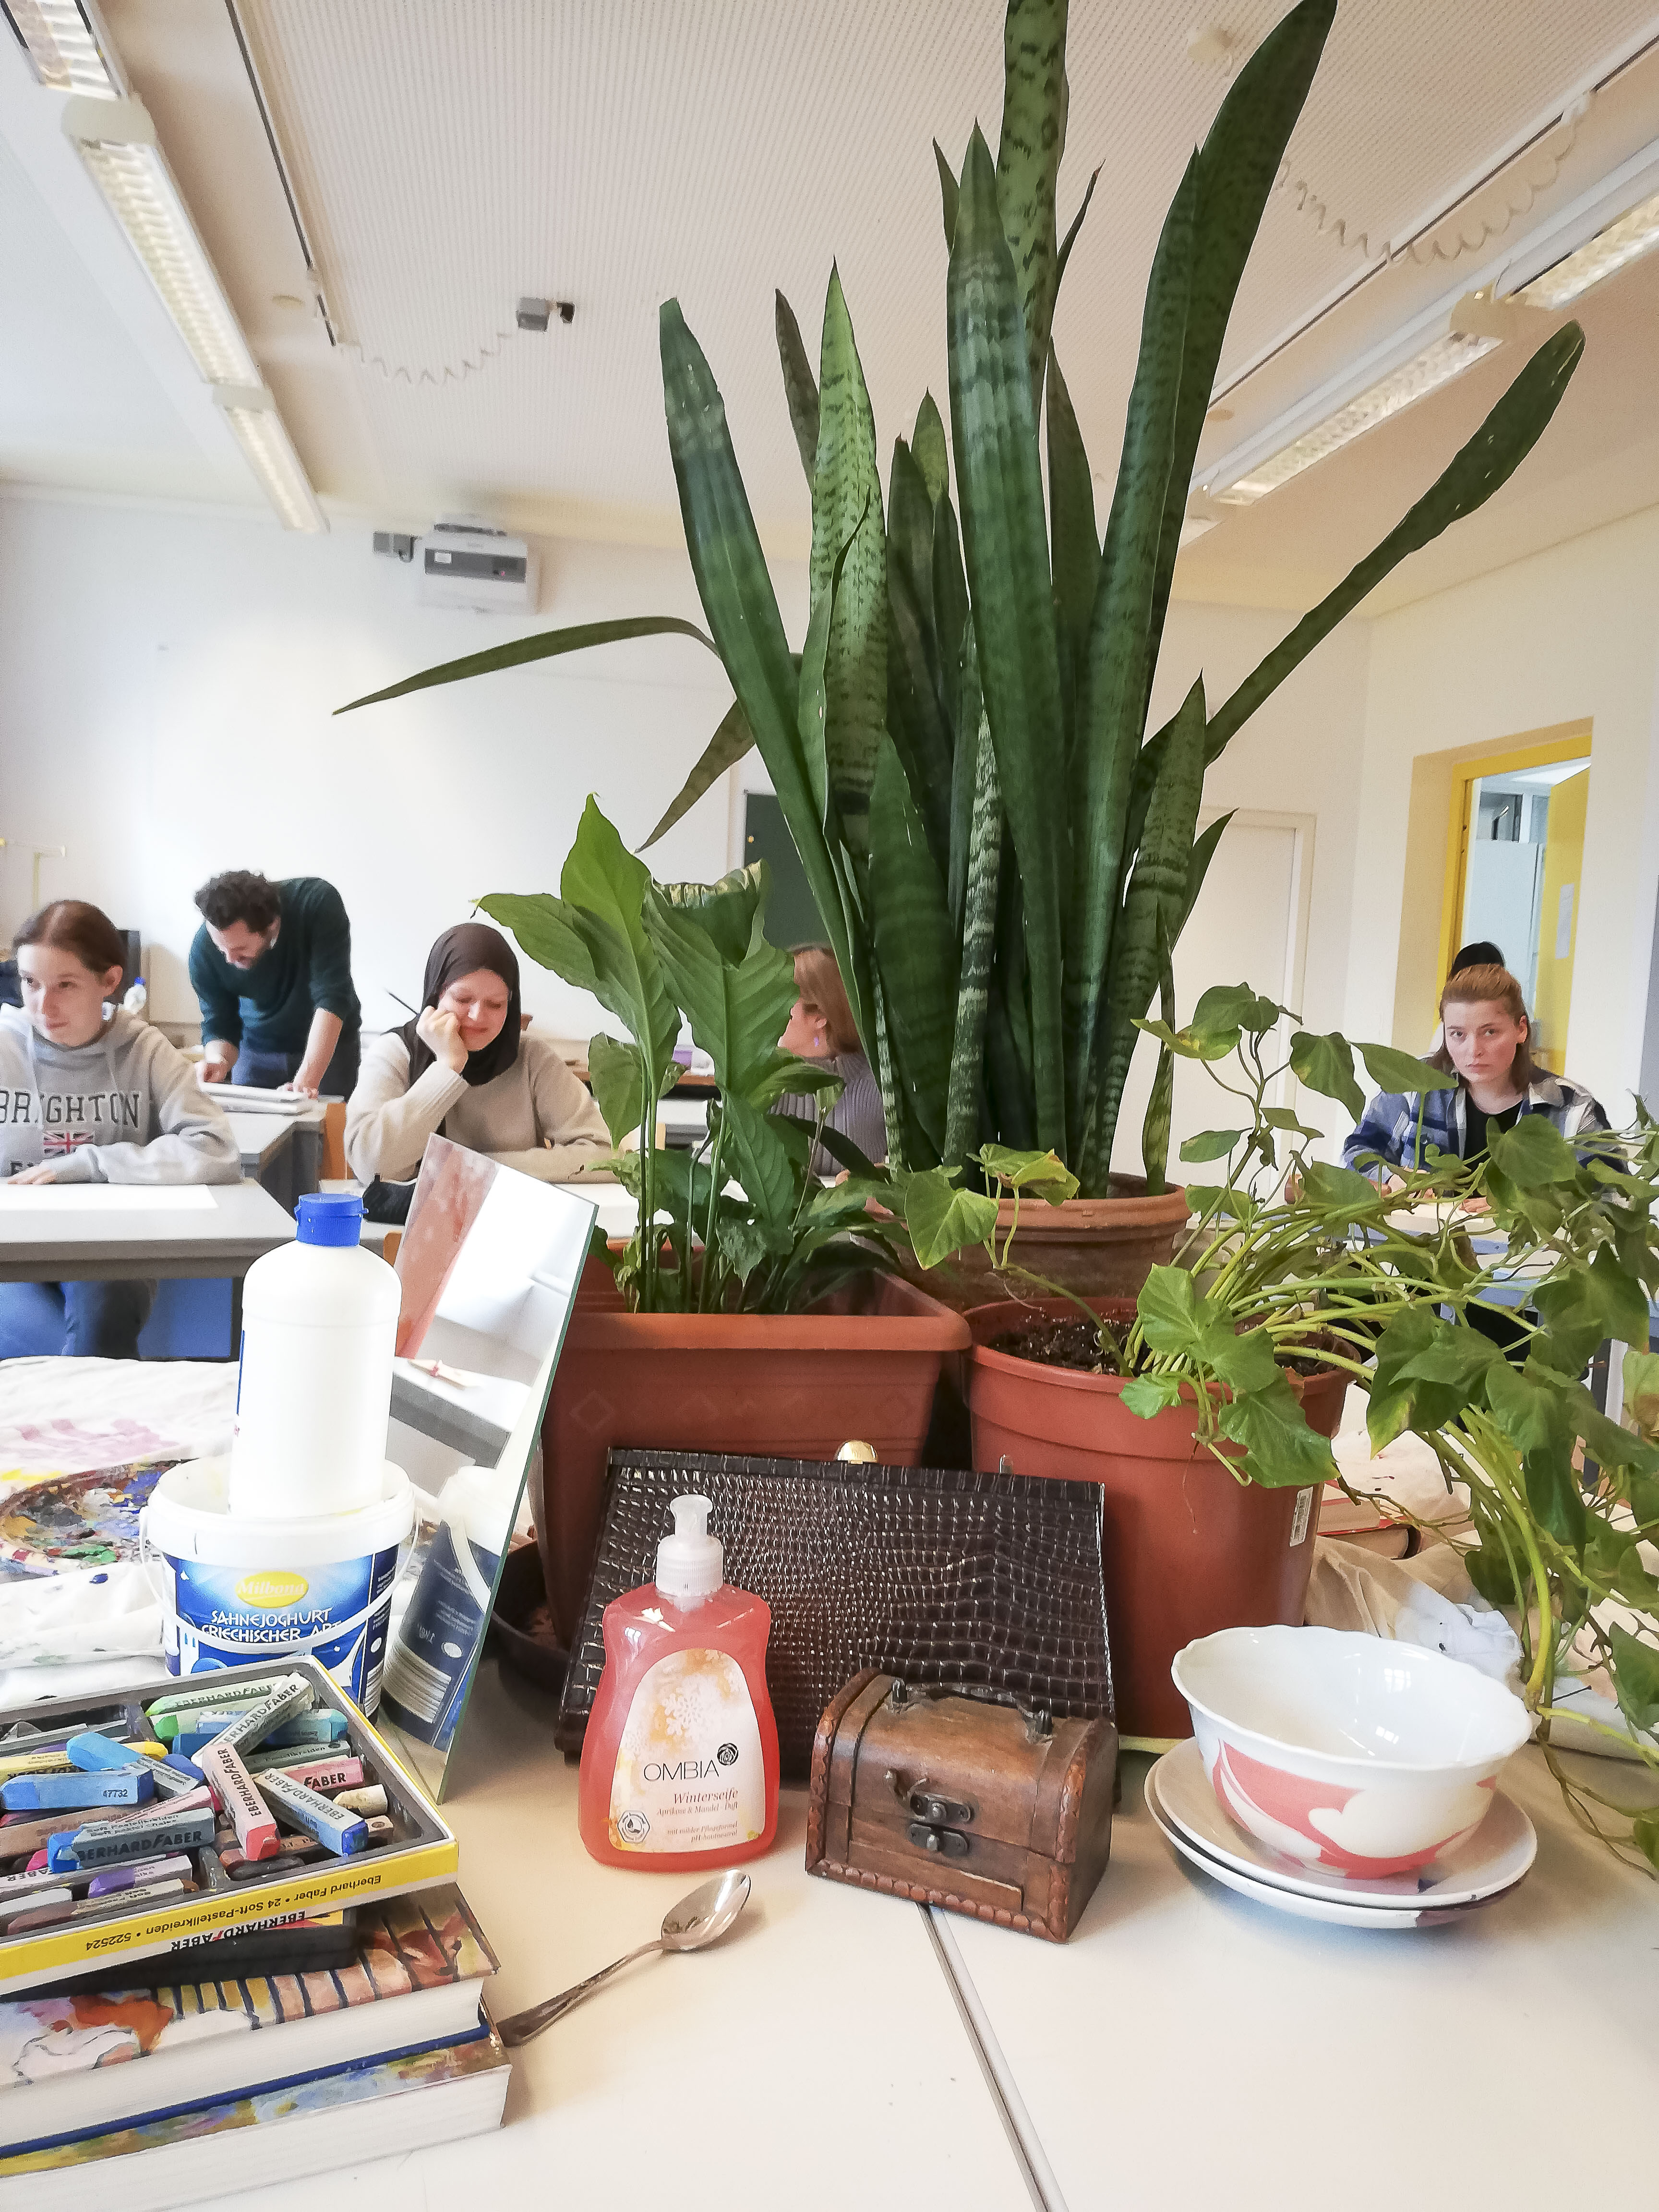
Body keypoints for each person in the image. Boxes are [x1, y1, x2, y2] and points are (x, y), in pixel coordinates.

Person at [0, 900, 239, 1358]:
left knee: (100, 1321)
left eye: (65, 985)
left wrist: (88, 1163)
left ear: (110, 981)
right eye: (30, 983)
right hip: (14, 1246)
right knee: (41, 1349)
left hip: (109, 1246)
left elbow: (215, 1148)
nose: (42, 1006)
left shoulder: (145, 1049)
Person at [345, 922, 611, 1186]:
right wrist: (447, 1068)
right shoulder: (396, 1051)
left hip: (512, 1217)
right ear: (437, 995)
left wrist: (472, 1169)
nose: (477, 1016)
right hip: (406, 1226)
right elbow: (371, 1167)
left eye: (496, 1005)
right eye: (462, 1000)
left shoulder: (531, 1056)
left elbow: (602, 1155)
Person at [1345, 961, 1608, 1192]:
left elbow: (1614, 1198)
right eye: (1458, 1034)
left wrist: (1526, 1201)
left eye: (1490, 1032)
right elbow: (1358, 1152)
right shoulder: (1413, 1084)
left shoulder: (1571, 1107)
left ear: (1521, 1030)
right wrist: (1393, 1179)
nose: (1474, 1051)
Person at [189, 871, 361, 1099]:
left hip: (328, 1050)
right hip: (255, 1049)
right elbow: (219, 1022)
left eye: (239, 950)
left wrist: (305, 1083)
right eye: (222, 949)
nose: (229, 959)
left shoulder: (316, 903)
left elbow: (332, 998)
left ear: (271, 925)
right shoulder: (204, 950)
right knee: (249, 1129)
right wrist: (218, 1062)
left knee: (322, 1127)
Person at [774, 945, 887, 1174]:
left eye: (780, 1000)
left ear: (819, 1017)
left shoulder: (880, 1081)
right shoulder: (764, 1080)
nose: (767, 1011)